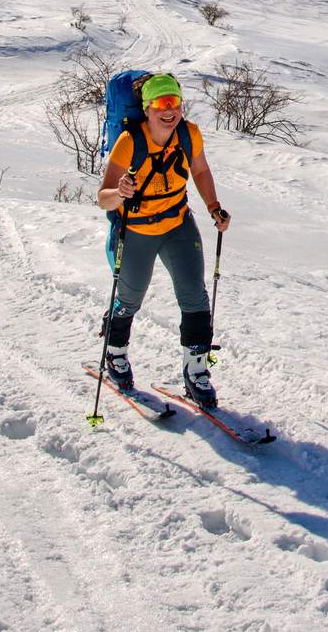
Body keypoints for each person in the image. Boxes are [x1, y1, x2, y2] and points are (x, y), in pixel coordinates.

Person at [97, 73, 231, 407]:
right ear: (147, 108)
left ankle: (196, 371)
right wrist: (120, 192)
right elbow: (103, 198)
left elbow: (200, 170)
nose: (169, 110)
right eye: (160, 103)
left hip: (177, 225)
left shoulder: (189, 134)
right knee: (129, 298)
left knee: (195, 296)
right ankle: (115, 353)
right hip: (137, 230)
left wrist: (213, 207)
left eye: (174, 102)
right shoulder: (129, 141)